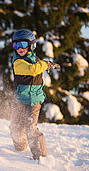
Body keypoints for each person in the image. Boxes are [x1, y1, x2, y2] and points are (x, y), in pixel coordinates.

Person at [10, 29, 60, 160]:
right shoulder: (17, 62)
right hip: (20, 99)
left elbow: (39, 66)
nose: (19, 48)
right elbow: (33, 70)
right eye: (16, 45)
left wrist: (49, 64)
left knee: (30, 128)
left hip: (34, 101)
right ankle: (20, 148)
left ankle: (41, 157)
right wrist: (45, 64)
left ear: (31, 45)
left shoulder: (35, 59)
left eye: (22, 44)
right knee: (15, 126)